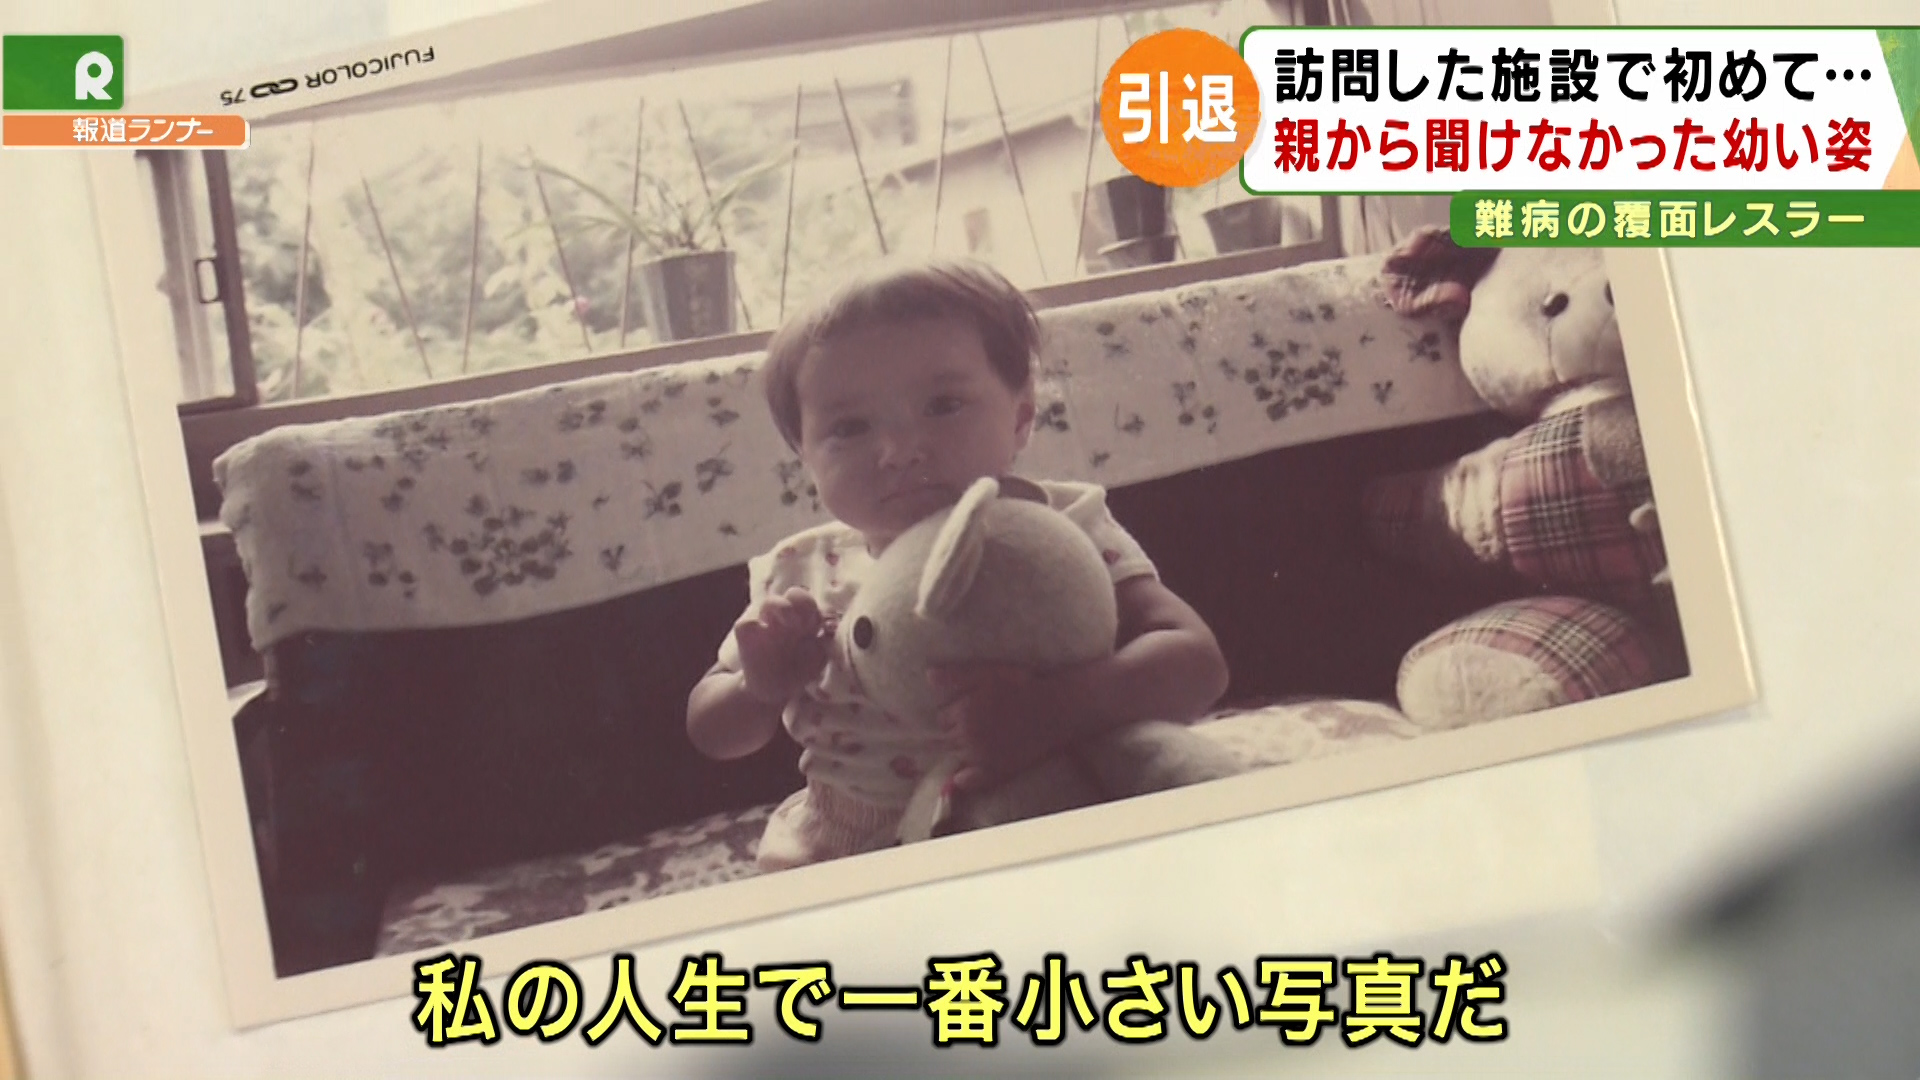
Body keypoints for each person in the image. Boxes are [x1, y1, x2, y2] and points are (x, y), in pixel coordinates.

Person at [685, 258, 1228, 870]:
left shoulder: (1057, 528)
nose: (898, 451)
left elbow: (1197, 662)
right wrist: (757, 689)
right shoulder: (801, 570)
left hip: (1037, 809)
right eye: (850, 428)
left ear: (1020, 417)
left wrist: (1055, 709)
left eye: (943, 405)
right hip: (852, 843)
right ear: (804, 456)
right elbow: (709, 729)